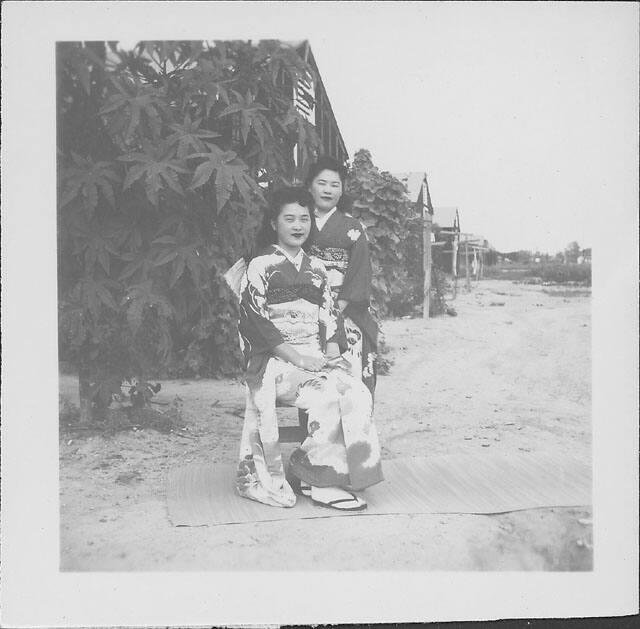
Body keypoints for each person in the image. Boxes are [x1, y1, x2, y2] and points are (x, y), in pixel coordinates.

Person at [235, 187, 383, 511]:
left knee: (357, 392)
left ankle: (311, 470)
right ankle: (323, 484)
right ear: (274, 223)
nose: (298, 225)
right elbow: (255, 323)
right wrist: (296, 356)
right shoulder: (260, 266)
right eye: (289, 218)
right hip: (275, 361)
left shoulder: (316, 268)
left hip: (313, 358)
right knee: (326, 396)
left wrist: (331, 353)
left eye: (304, 218)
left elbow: (330, 317)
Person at [304, 157, 379, 396]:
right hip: (305, 310)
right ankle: (313, 432)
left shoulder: (353, 228)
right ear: (309, 186)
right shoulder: (300, 222)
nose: (328, 190)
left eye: (335, 185)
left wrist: (334, 311)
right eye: (322, 183)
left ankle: (354, 432)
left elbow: (359, 275)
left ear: (342, 190)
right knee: (312, 384)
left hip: (344, 309)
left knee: (351, 385)